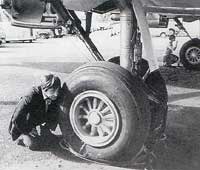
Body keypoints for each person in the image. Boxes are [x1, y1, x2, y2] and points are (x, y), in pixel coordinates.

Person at [8, 74, 62, 149]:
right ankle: (21, 137)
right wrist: (27, 130)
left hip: (38, 118)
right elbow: (17, 117)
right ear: (44, 89)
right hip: (25, 123)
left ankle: (44, 131)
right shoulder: (31, 96)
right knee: (34, 145)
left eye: (57, 90)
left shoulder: (53, 96)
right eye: (53, 91)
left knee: (49, 141)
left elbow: (55, 111)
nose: (56, 94)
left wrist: (48, 127)